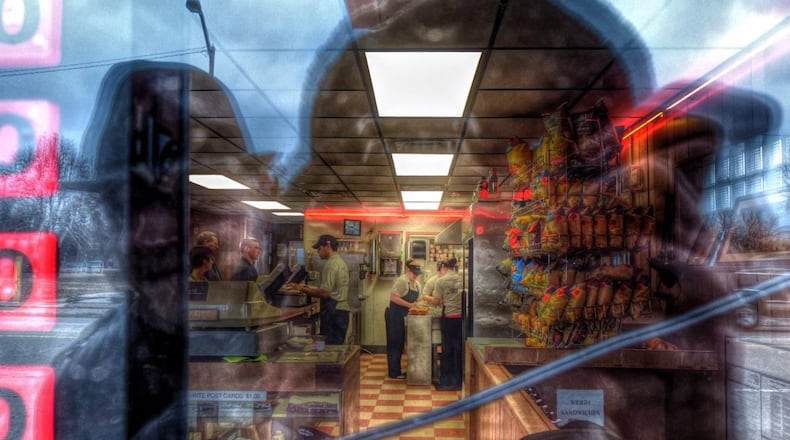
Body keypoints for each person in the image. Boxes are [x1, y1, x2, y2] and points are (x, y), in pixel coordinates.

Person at [287, 234, 350, 345]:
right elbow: (327, 288)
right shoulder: (340, 262)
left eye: (319, 249)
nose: (318, 252)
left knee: (328, 346)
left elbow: (325, 293)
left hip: (333, 312)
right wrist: (303, 286)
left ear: (328, 247)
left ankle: (323, 362)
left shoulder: (331, 265)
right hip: (341, 311)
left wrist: (302, 289)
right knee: (336, 346)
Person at [425, 257, 463, 390]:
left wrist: (426, 298)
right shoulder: (461, 279)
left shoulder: (441, 281)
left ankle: (446, 381)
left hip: (449, 318)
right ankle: (459, 379)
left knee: (447, 349)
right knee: (459, 349)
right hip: (462, 319)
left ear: (443, 268)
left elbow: (436, 301)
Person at [384, 259, 421, 379]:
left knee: (402, 342)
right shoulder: (401, 281)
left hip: (405, 315)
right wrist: (410, 305)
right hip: (394, 313)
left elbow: (418, 299)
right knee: (395, 342)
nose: (415, 276)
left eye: (417, 274)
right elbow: (393, 297)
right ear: (407, 270)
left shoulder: (416, 284)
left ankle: (399, 370)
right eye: (413, 273)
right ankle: (394, 372)